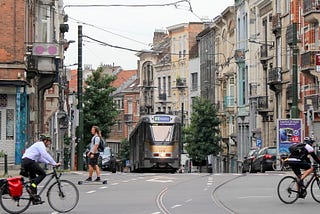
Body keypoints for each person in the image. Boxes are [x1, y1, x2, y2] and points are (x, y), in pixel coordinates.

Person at [21, 135, 61, 204]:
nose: (49, 144)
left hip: (26, 162)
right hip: (29, 161)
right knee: (43, 174)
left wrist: (49, 163)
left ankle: (34, 199)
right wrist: (54, 163)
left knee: (34, 179)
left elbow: (40, 158)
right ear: (45, 141)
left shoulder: (37, 145)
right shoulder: (40, 144)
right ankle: (31, 188)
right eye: (49, 142)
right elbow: (45, 154)